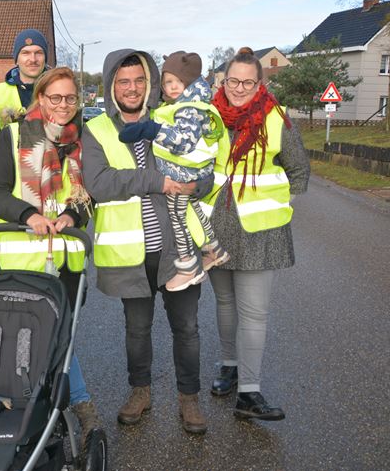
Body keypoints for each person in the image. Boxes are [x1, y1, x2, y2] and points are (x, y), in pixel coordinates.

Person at [81, 50, 213, 435]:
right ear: (111, 86)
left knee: (186, 328)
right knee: (136, 330)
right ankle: (140, 392)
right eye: (124, 81)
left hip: (178, 248)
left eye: (139, 80)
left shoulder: (172, 117)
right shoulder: (97, 130)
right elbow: (99, 184)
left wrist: (197, 184)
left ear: (150, 82)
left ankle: (189, 399)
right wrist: (157, 181)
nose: (132, 88)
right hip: (130, 253)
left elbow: (205, 163)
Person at [0, 67, 102, 444]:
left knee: (61, 337)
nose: (63, 106)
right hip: (23, 261)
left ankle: (80, 407)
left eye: (70, 99)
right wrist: (27, 215)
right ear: (40, 98)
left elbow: (90, 193)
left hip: (66, 261)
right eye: (55, 98)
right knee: (21, 335)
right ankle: (23, 405)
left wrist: (73, 215)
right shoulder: (13, 136)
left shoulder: (85, 139)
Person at [205, 46, 310, 421]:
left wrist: (276, 207)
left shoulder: (276, 119)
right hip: (215, 227)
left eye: (247, 82)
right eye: (233, 80)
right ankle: (229, 367)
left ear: (259, 84)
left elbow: (299, 171)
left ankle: (249, 392)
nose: (239, 88)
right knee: (225, 303)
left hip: (260, 232)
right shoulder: (208, 117)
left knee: (253, 313)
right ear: (223, 80)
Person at [118, 51, 229, 291]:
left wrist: (152, 130)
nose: (173, 87)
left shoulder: (189, 108)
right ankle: (213, 249)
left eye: (178, 81)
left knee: (178, 218)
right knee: (194, 210)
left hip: (182, 174)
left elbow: (184, 142)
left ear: (190, 82)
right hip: (192, 171)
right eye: (168, 82)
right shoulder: (189, 104)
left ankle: (188, 266)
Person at [0, 28, 49, 128]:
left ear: (45, 58)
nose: (33, 59)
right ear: (17, 60)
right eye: (25, 53)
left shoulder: (59, 90)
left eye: (38, 53)